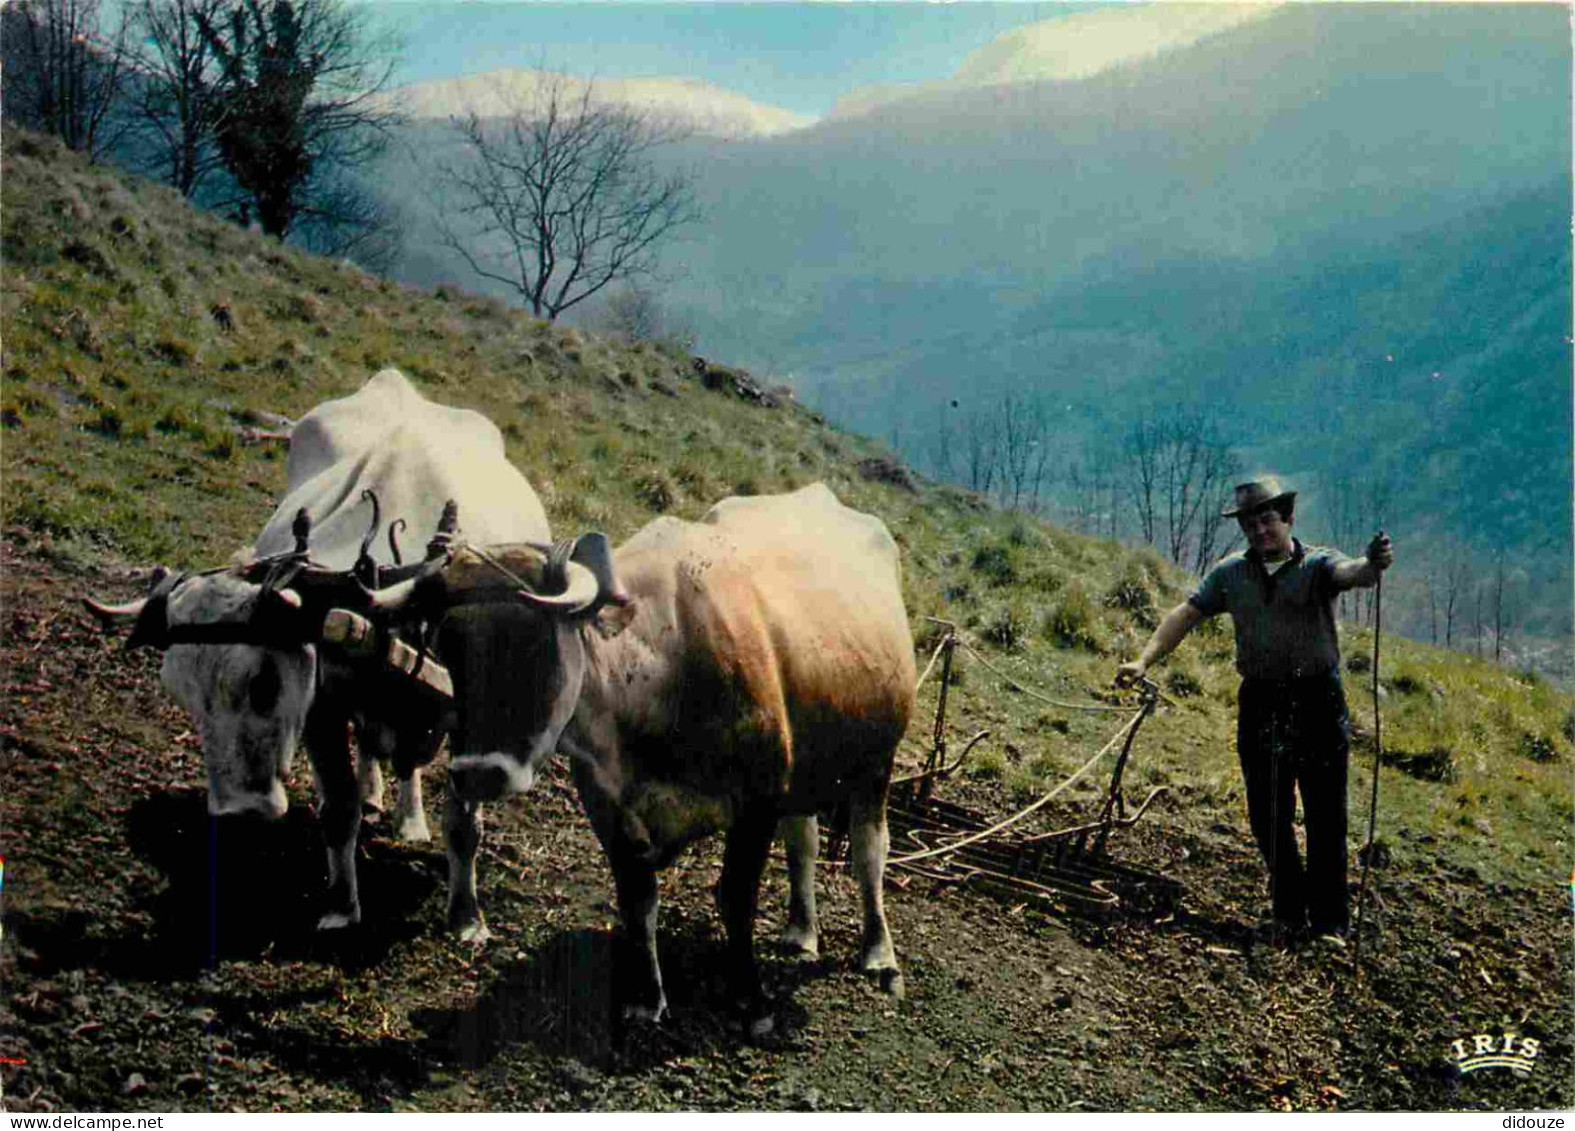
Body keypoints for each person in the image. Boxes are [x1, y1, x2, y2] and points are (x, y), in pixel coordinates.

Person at [1115, 477, 1394, 945]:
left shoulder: (1318, 564)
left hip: (1318, 702)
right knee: (1267, 812)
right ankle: (1287, 910)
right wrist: (1143, 658)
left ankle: (1329, 923)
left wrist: (1373, 562)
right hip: (1261, 701)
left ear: (1287, 518)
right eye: (1250, 523)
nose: (1260, 530)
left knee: (1326, 813)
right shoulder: (1230, 574)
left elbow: (1354, 573)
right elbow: (1186, 614)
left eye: (1267, 519)